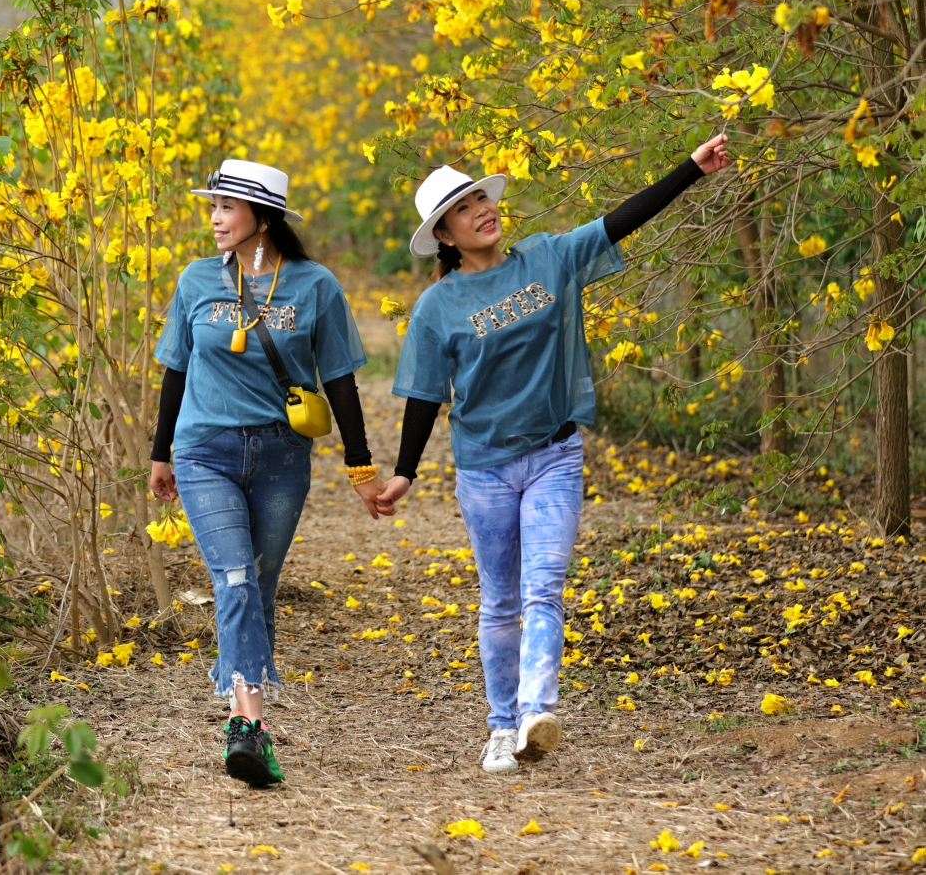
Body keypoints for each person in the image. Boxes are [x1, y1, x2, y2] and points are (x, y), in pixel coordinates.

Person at [376, 134, 732, 774]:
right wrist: (404, 472)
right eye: (464, 209)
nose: (482, 210)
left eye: (481, 198)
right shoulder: (436, 308)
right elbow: (426, 395)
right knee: (499, 601)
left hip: (555, 456)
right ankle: (499, 727)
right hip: (485, 467)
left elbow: (619, 221)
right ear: (446, 236)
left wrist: (691, 169)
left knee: (544, 588)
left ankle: (534, 714)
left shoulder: (547, 258)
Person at [149, 158, 392, 788]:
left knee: (257, 583)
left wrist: (361, 467)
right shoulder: (196, 280)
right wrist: (159, 453)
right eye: (213, 206)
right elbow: (175, 369)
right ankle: (247, 728)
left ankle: (244, 703)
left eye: (226, 207)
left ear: (262, 217)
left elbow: (340, 380)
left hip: (283, 457)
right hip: (204, 453)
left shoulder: (315, 286)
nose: (215, 218)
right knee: (233, 580)